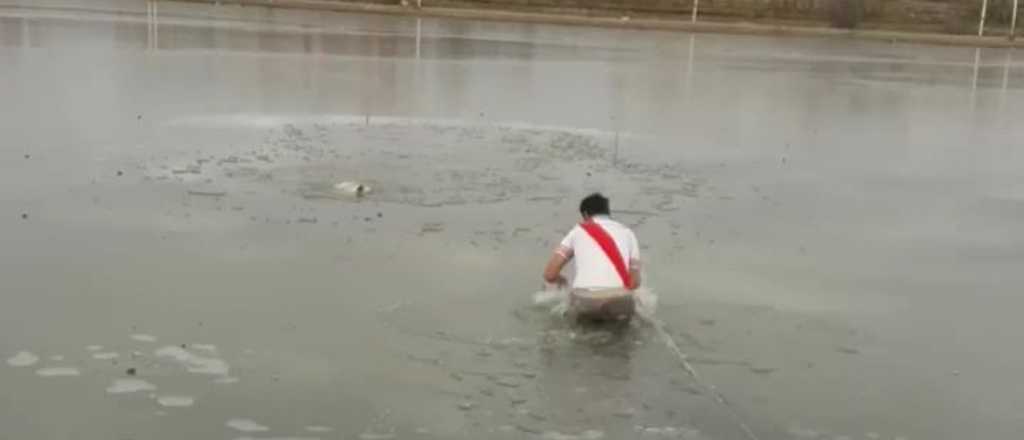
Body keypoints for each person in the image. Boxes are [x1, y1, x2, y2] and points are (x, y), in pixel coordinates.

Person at [543, 193, 641, 324]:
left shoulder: (576, 232)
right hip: (620, 300)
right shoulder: (628, 233)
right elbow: (634, 283)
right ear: (608, 212)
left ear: (585, 214)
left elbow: (550, 274)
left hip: (585, 300)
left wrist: (563, 282)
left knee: (579, 328)